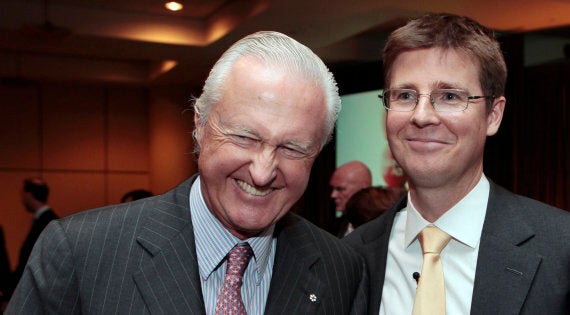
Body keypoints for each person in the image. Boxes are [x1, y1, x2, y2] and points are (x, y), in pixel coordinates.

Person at [7, 31, 368, 314]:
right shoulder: (80, 253)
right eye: (244, 137)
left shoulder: (341, 270)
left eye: (291, 148)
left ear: (316, 154)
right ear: (200, 125)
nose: (262, 172)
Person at [344, 13, 570, 314]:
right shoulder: (350, 258)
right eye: (405, 95)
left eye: (450, 96)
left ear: (494, 115)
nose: (422, 115)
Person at [13, 178, 58, 289]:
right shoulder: (49, 220)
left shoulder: (47, 222)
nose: (21, 199)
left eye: (22, 195)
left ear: (29, 194)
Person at [328, 161, 372, 237]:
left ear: (364, 188)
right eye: (333, 189)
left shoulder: (381, 224)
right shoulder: (335, 226)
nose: (333, 195)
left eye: (340, 189)